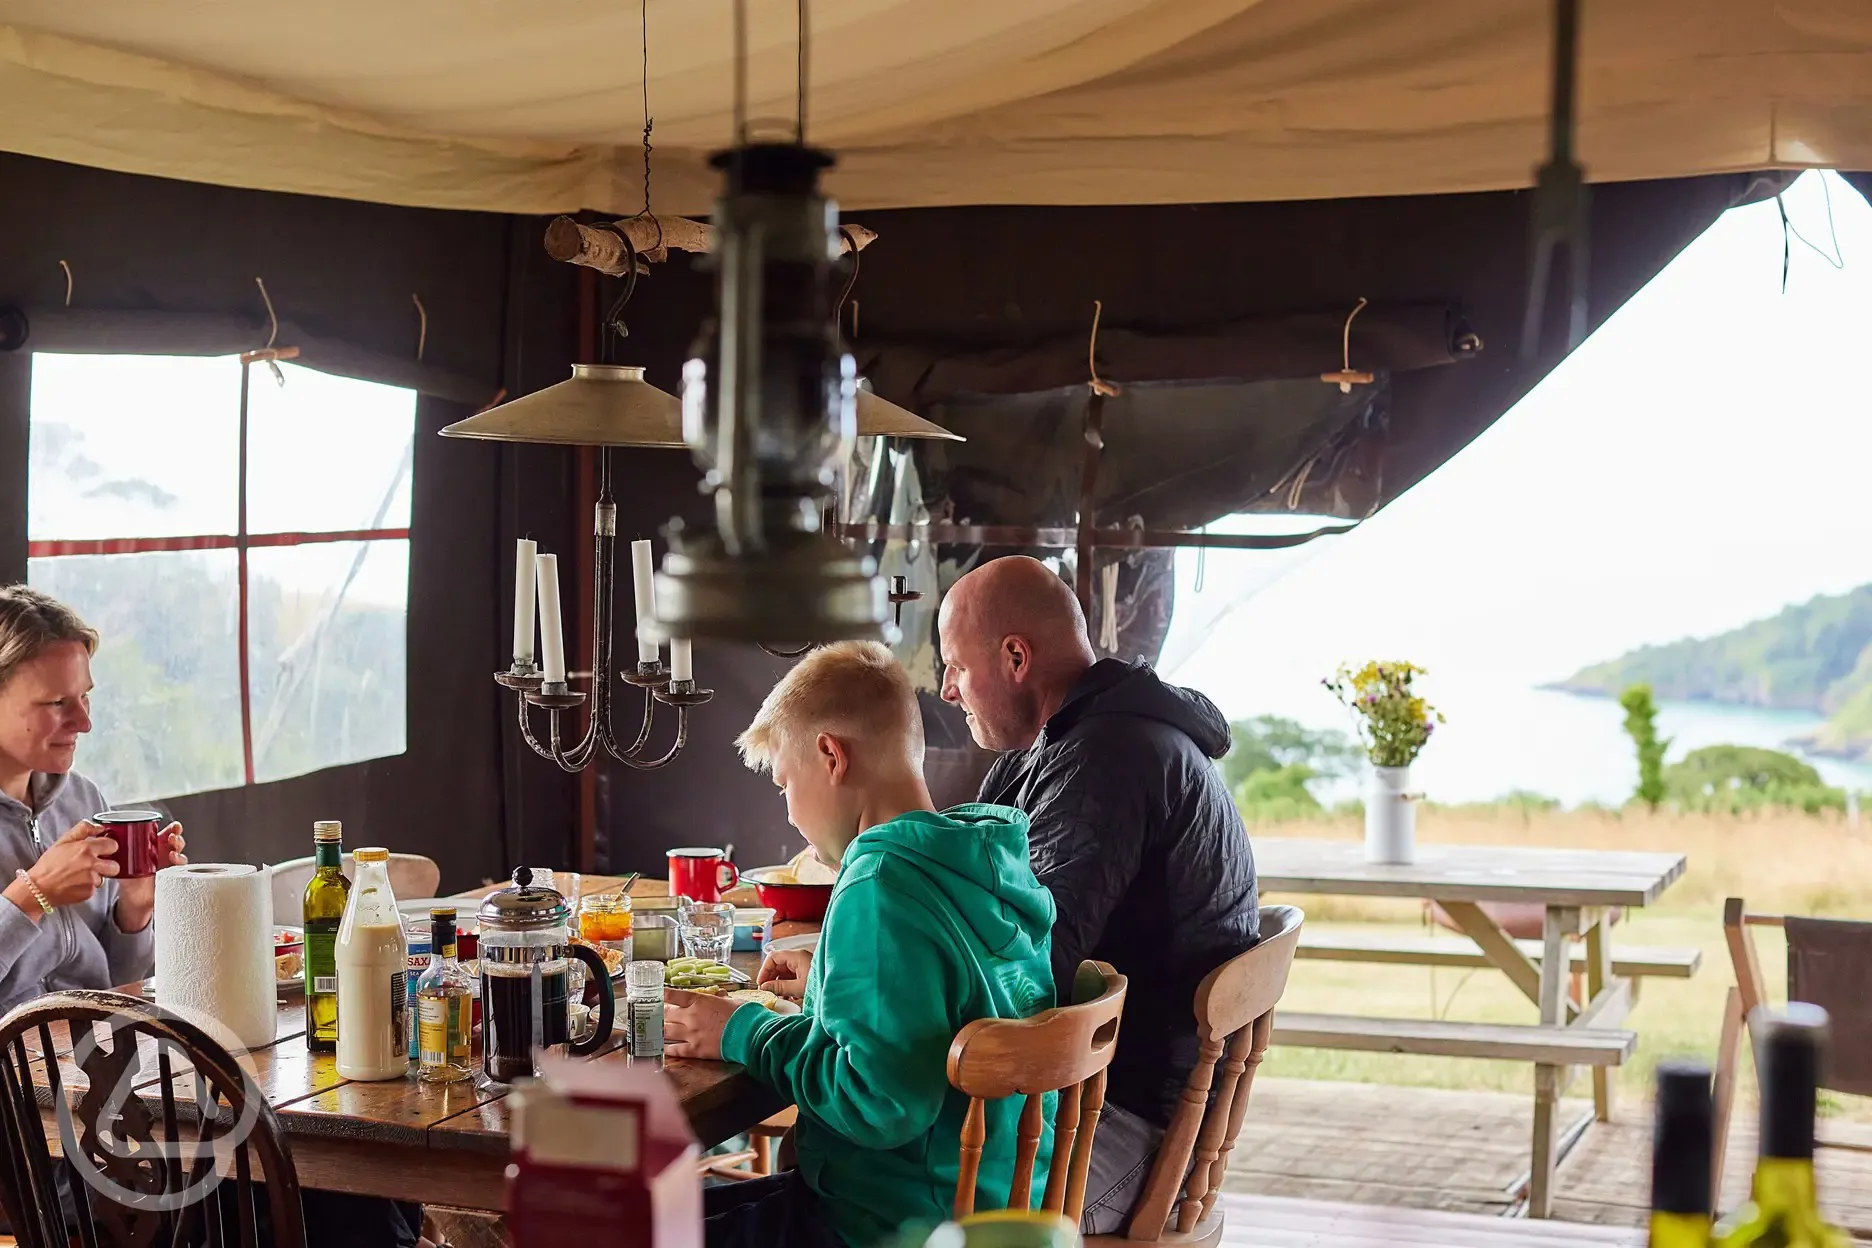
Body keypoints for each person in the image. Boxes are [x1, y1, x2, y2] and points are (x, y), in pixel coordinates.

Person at [664, 641, 1057, 1248]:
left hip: (882, 1225)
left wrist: (741, 1028)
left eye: (785, 783)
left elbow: (879, 1102)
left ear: (830, 756)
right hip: (985, 1210)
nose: (790, 813)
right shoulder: (981, 863)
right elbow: (937, 1006)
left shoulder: (878, 882)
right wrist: (825, 976)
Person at [937, 555, 1261, 1234]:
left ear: (1016, 657)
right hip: (1115, 1094)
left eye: (956, 667)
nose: (947, 690)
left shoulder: (1107, 758)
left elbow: (1030, 970)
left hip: (1123, 1117)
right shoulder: (1072, 745)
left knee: (884, 1184)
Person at [0, 585, 185, 1016]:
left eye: (84, 696)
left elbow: (115, 983)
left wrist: (134, 911)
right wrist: (34, 893)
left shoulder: (83, 798)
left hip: (95, 1059)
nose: (84, 722)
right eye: (56, 703)